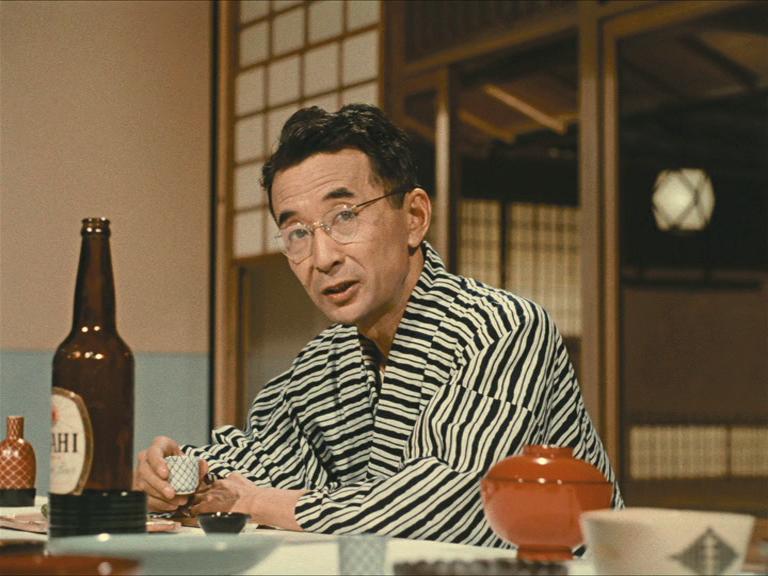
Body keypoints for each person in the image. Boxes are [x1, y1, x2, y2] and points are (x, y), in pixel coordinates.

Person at [134, 104, 622, 547]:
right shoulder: (325, 362)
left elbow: (445, 504)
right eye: (297, 232)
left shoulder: (502, 328)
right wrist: (177, 477)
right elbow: (260, 461)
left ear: (414, 217)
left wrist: (259, 503)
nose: (322, 257)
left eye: (344, 216)